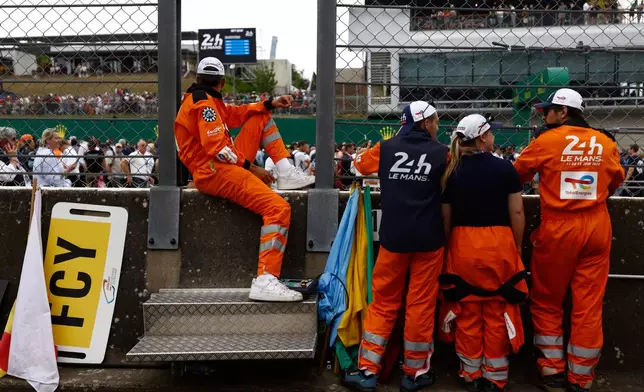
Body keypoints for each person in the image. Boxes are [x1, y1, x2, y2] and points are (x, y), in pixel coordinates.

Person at [174, 57, 315, 302]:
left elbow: (236, 114)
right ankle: (265, 279)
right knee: (278, 208)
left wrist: (269, 103)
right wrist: (254, 169)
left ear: (197, 80)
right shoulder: (204, 104)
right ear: (222, 82)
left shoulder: (202, 100)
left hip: (215, 167)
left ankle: (285, 172)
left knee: (261, 116)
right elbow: (219, 149)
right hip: (214, 170)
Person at [513, 88, 625, 392]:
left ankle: (552, 372)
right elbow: (617, 179)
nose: (543, 116)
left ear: (563, 112)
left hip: (559, 228)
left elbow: (515, 176)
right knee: (588, 305)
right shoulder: (605, 141)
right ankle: (581, 379)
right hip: (597, 226)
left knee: (547, 301)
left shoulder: (545, 141)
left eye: (546, 111)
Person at [344, 101, 448, 392]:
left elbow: (359, 166)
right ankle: (415, 373)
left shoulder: (386, 147)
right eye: (435, 122)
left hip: (393, 238)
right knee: (421, 305)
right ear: (424, 123)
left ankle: (367, 371)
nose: (437, 127)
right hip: (429, 239)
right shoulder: (443, 152)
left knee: (384, 302)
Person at [439, 114, 528, 392]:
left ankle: (470, 373)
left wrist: (448, 249)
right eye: (490, 133)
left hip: (462, 245)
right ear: (482, 138)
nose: (493, 137)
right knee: (498, 310)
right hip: (499, 244)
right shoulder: (505, 169)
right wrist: (516, 247)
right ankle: (496, 376)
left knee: (465, 310)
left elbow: (445, 218)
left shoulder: (451, 171)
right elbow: (517, 211)